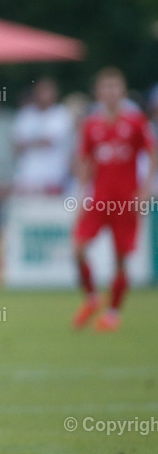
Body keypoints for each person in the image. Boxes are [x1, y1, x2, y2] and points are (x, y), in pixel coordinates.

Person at [71, 68, 156, 332]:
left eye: (114, 86)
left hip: (125, 201)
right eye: (105, 87)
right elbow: (85, 162)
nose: (110, 91)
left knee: (120, 259)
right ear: (98, 92)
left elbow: (153, 154)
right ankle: (92, 298)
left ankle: (113, 313)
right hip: (99, 199)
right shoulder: (91, 125)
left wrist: (145, 190)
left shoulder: (136, 122)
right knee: (78, 248)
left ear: (122, 90)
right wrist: (81, 194)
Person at [12, 77, 74, 195]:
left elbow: (48, 142)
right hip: (27, 176)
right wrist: (37, 141)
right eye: (40, 91)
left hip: (54, 176)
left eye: (46, 91)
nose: (43, 95)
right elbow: (16, 145)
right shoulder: (25, 114)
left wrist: (29, 142)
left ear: (55, 93)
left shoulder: (62, 114)